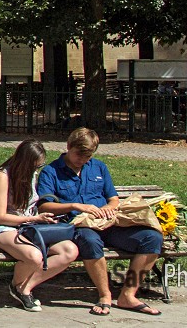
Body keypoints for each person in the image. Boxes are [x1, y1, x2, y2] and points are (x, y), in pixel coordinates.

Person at [36, 127, 164, 317]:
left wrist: (109, 207)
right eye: (79, 155)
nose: (82, 160)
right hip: (78, 225)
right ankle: (105, 295)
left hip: (107, 223)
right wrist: (76, 206)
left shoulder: (99, 168)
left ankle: (128, 295)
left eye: (88, 157)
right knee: (90, 241)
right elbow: (44, 206)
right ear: (68, 146)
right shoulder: (51, 172)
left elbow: (113, 198)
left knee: (152, 238)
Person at [0, 139, 79, 312]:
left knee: (70, 251)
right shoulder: (2, 176)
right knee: (34, 256)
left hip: (29, 227)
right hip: (1, 228)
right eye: (35, 166)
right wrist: (34, 220)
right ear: (24, 162)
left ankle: (23, 287)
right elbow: (0, 217)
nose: (37, 170)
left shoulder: (30, 174)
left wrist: (42, 218)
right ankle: (21, 289)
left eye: (39, 167)